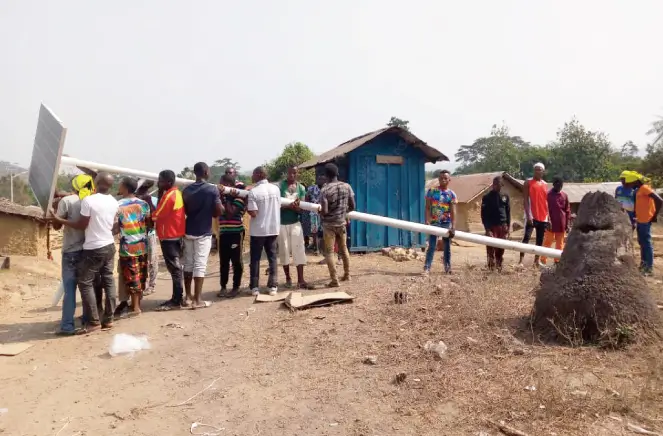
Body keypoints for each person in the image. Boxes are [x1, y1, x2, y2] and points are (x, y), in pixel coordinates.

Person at [50, 172, 119, 334]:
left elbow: (64, 226)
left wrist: (57, 217)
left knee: (76, 286)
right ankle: (105, 318)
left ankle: (73, 325)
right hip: (106, 246)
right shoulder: (112, 201)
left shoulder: (77, 201)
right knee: (105, 281)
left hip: (83, 249)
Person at [51, 174, 94, 335]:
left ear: (74, 186)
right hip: (89, 251)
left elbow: (56, 226)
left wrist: (55, 209)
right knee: (87, 287)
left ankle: (67, 326)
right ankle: (88, 320)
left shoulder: (66, 202)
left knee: (70, 289)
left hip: (70, 251)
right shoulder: (92, 200)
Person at [181, 162, 223, 309]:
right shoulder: (212, 190)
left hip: (189, 229)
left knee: (188, 263)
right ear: (205, 172)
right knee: (200, 265)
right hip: (203, 231)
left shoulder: (186, 190)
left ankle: (187, 297)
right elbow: (218, 211)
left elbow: (185, 211)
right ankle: (197, 300)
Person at [111, 177, 151, 317]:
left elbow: (115, 228)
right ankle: (137, 304)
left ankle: (135, 309)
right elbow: (149, 223)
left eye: (120, 185)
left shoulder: (118, 205)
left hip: (128, 247)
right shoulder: (143, 204)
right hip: (142, 244)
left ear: (126, 188)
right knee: (140, 275)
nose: (118, 187)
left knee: (132, 276)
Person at [153, 170, 186, 311]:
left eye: (160, 181)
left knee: (175, 268)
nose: (158, 183)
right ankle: (177, 297)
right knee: (176, 268)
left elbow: (157, 215)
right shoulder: (175, 193)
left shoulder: (170, 195)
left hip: (169, 236)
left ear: (168, 182)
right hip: (175, 234)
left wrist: (150, 215)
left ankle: (176, 299)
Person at [247, 166, 281, 296]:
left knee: (255, 259)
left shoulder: (254, 192)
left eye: (254, 174)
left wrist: (246, 206)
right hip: (273, 228)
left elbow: (254, 213)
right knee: (272, 258)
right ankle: (273, 286)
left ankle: (255, 287)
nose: (252, 176)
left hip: (258, 230)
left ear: (259, 175)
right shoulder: (276, 189)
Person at [320, 163, 354, 287]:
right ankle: (347, 274)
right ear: (337, 173)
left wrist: (320, 213)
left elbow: (325, 210)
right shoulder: (347, 186)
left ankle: (334, 280)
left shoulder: (325, 189)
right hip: (341, 223)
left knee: (329, 252)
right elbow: (353, 206)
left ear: (326, 175)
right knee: (344, 249)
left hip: (329, 225)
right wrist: (343, 212)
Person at [278, 166, 310, 289]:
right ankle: (288, 278)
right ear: (287, 173)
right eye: (290, 172)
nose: (292, 175)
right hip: (282, 223)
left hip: (295, 223)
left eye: (294, 173)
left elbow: (301, 209)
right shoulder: (280, 186)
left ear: (298, 174)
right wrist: (289, 206)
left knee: (299, 250)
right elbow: (277, 205)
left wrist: (294, 207)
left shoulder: (301, 188)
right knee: (284, 251)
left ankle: (301, 280)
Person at [217, 174, 246, 298]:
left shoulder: (238, 196)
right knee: (224, 261)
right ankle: (223, 286)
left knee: (236, 261)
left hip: (235, 232)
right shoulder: (220, 197)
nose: (220, 186)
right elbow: (217, 212)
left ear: (228, 185)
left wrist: (228, 199)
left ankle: (236, 287)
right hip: (223, 232)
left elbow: (229, 214)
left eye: (222, 184)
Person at [423, 170, 457, 275]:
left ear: (449, 180)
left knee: (447, 246)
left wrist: (453, 226)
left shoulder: (451, 194)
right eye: (441, 178)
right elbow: (428, 208)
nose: (443, 180)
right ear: (438, 179)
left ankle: (447, 268)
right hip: (434, 222)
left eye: (445, 178)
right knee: (432, 246)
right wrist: (427, 220)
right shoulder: (431, 191)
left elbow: (453, 211)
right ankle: (426, 268)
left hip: (446, 223)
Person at [630, 173, 663, 275]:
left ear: (635, 181)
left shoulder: (644, 188)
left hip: (645, 220)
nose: (628, 184)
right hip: (640, 220)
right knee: (642, 243)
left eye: (629, 182)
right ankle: (643, 264)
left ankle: (649, 268)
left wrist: (654, 216)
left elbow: (659, 200)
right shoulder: (637, 191)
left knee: (646, 244)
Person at [520, 162, 549, 267]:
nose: (537, 171)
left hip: (543, 216)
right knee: (526, 237)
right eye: (535, 169)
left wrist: (548, 217)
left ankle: (536, 261)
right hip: (531, 215)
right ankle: (521, 261)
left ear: (543, 171)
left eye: (539, 169)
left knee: (540, 239)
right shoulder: (528, 182)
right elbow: (526, 200)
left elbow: (546, 202)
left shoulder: (545, 184)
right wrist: (528, 215)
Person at [480, 175, 510, 272]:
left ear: (502, 185)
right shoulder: (487, 197)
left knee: (501, 248)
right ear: (492, 184)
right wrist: (487, 229)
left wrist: (508, 227)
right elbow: (484, 215)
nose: (497, 186)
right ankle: (491, 268)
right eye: (495, 184)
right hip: (492, 226)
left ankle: (499, 265)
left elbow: (508, 212)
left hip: (503, 226)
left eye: (499, 184)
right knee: (490, 248)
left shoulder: (505, 196)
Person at [135, 179, 159, 295]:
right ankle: (142, 284)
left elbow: (154, 219)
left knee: (152, 260)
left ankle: (152, 285)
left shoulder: (153, 200)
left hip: (150, 234)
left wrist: (148, 200)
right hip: (136, 235)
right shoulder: (133, 200)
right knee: (140, 261)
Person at [540, 176, 570, 265]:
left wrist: (567, 224)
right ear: (553, 185)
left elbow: (567, 210)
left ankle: (557, 261)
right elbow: (544, 209)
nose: (559, 187)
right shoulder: (548, 195)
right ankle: (543, 260)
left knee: (560, 244)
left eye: (561, 185)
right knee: (547, 242)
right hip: (550, 223)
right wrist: (547, 220)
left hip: (561, 223)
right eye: (557, 185)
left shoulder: (564, 195)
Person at [306, 174, 326, 255]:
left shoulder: (327, 188)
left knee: (324, 231)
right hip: (314, 213)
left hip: (324, 212)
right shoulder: (311, 188)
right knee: (315, 231)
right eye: (319, 179)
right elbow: (306, 197)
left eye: (323, 179)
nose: (321, 181)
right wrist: (309, 206)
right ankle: (316, 249)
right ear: (317, 180)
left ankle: (324, 250)